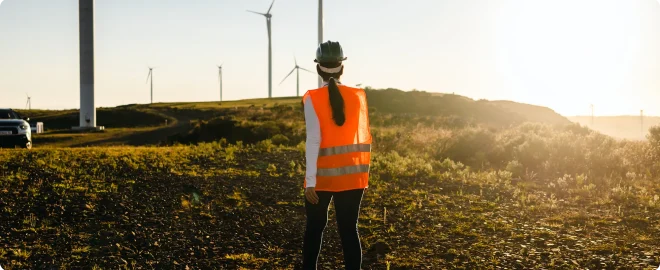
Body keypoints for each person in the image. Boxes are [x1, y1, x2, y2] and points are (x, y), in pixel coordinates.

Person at [301, 40, 372, 270]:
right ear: (342, 67)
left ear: (318, 67)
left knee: (314, 229)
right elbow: (359, 136)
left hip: (321, 178)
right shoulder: (359, 96)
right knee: (349, 231)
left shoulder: (312, 97)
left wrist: (310, 181)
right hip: (352, 176)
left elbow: (313, 140)